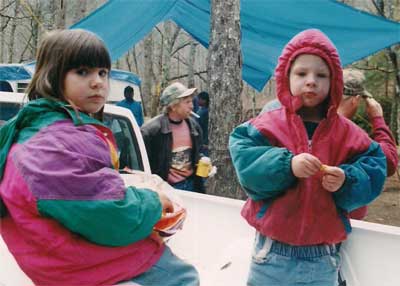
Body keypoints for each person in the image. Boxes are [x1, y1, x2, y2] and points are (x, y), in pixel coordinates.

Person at [0, 29, 199, 286]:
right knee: (183, 277)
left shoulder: (40, 131)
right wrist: (153, 202)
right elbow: (107, 212)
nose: (98, 82)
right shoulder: (52, 147)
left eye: (103, 72)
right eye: (83, 72)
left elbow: (82, 193)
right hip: (89, 265)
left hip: (69, 261)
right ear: (52, 77)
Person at [229, 29, 386, 286]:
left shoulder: (348, 133)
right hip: (271, 252)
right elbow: (245, 160)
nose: (311, 81)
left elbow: (375, 165)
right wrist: (286, 165)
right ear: (286, 78)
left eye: (321, 75)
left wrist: (347, 179)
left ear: (335, 83)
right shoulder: (267, 124)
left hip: (322, 256)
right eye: (302, 73)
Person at [337, 68, 398, 220]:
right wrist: (378, 119)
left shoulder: (310, 122)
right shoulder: (351, 134)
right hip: (346, 221)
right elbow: (388, 162)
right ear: (355, 100)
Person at [141, 82, 204, 193]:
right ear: (174, 106)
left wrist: (203, 161)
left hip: (191, 185)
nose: (192, 106)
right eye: (187, 102)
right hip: (166, 189)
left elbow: (196, 154)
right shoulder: (151, 131)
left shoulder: (194, 127)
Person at [196, 91, 209, 155]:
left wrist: (204, 142)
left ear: (204, 101)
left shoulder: (205, 112)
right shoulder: (201, 110)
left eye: (199, 99)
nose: (197, 100)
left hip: (203, 142)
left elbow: (204, 127)